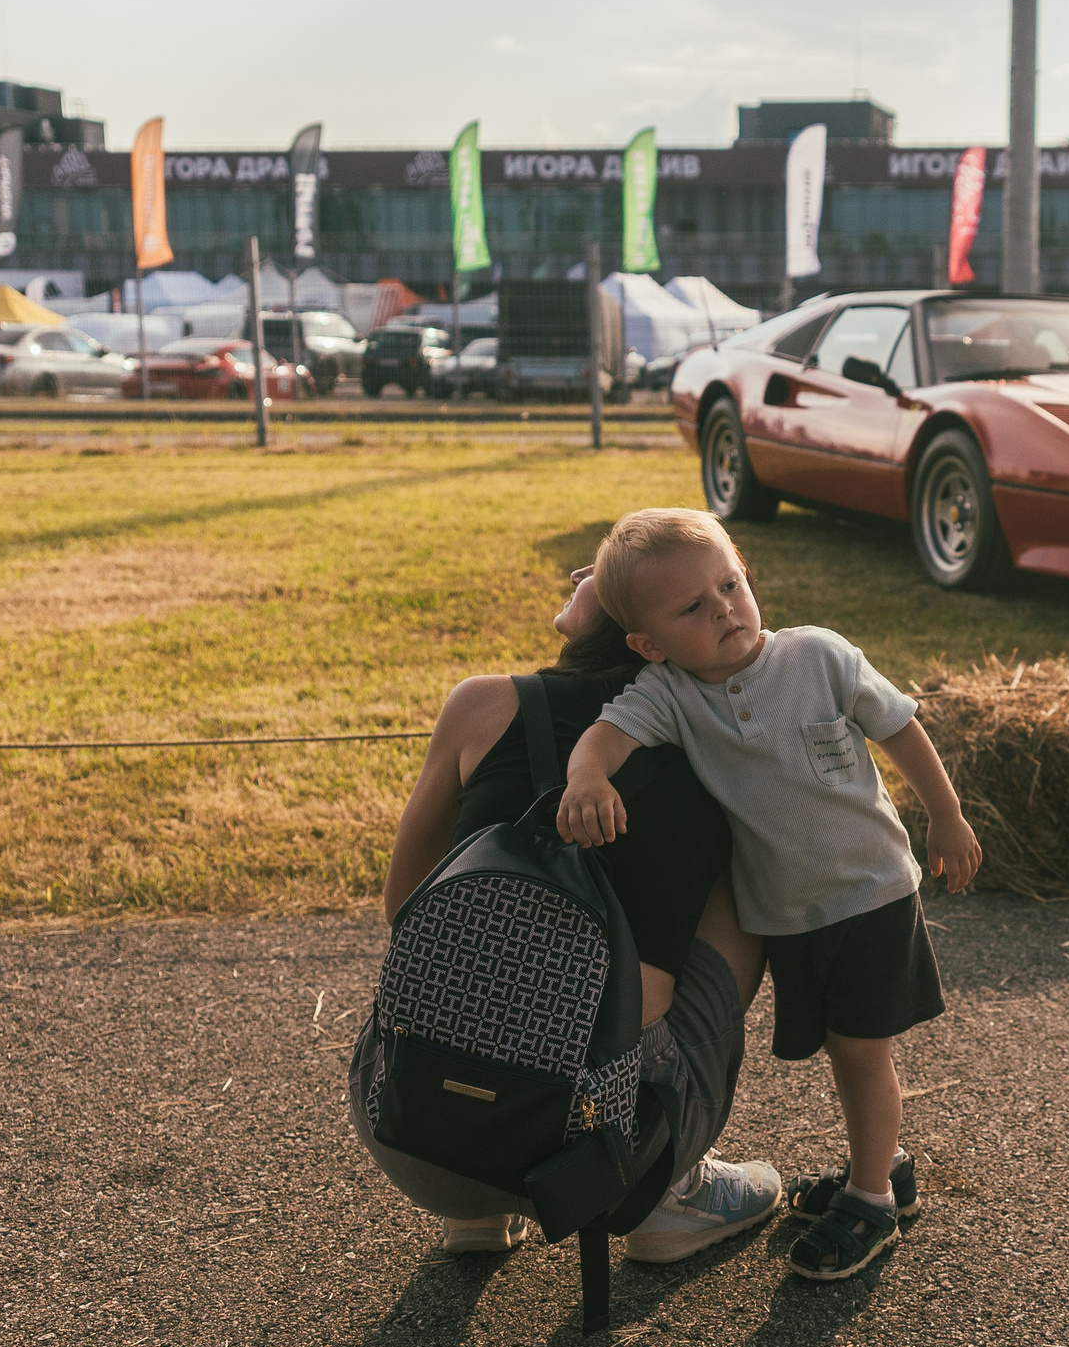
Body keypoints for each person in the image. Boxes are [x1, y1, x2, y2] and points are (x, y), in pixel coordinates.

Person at [556, 508, 980, 1282]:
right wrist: (586, 777)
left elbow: (902, 728)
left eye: (730, 584)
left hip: (872, 891)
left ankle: (873, 1201)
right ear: (648, 644)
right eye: (691, 607)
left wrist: (946, 818)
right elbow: (607, 736)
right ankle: (882, 1167)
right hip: (789, 914)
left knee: (860, 1051)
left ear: (747, 575)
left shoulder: (816, 655)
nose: (722, 608)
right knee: (840, 1051)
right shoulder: (671, 693)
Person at [359, 564, 783, 1262]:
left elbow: (403, 903)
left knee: (453, 929)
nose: (586, 569)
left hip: (413, 1129)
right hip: (605, 1155)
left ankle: (475, 1213)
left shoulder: (481, 705)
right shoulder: (715, 741)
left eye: (607, 567)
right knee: (745, 882)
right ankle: (668, 1196)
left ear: (641, 630)